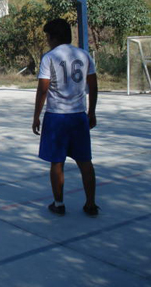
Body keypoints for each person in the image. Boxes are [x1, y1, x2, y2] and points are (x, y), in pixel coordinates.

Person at [32, 18, 99, 217]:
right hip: (78, 115)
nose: (47, 40)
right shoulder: (83, 55)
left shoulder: (49, 57)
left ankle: (59, 203)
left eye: (47, 36)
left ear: (53, 37)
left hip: (56, 117)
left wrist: (36, 116)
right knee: (85, 161)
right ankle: (91, 204)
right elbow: (93, 85)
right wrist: (92, 111)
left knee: (57, 162)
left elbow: (43, 90)